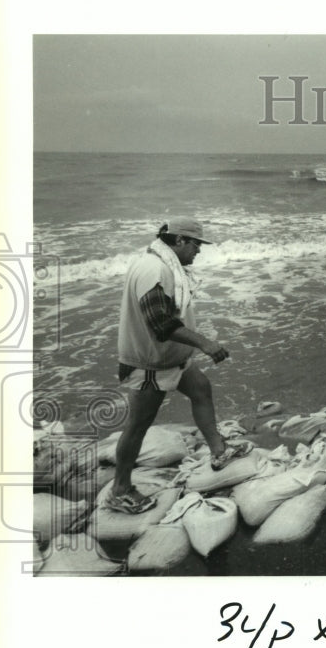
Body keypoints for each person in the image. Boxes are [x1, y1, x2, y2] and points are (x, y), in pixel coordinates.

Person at [108, 217, 251, 514]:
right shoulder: (154, 269)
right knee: (138, 426)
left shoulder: (163, 262)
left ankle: (219, 452)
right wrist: (204, 343)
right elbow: (160, 323)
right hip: (150, 362)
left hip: (172, 357)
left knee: (201, 389)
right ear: (180, 241)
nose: (198, 251)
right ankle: (119, 490)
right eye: (196, 244)